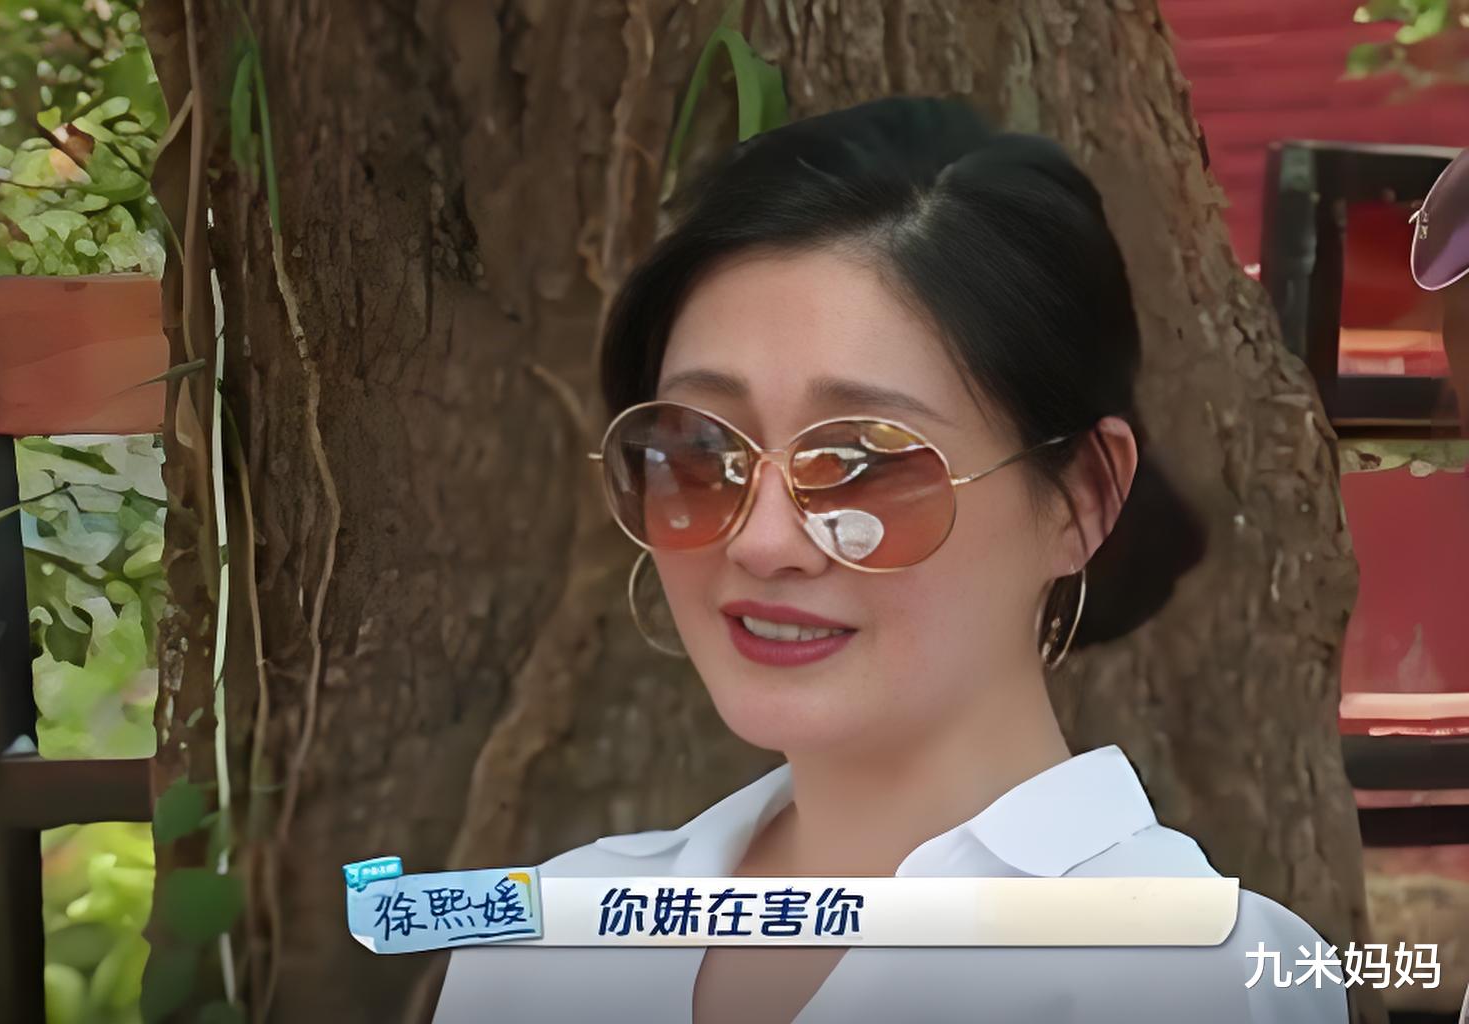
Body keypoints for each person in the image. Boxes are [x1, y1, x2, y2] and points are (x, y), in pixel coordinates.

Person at [432, 95, 1348, 1024]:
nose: (761, 541)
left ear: (1083, 497)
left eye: (864, 463)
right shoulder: (542, 945)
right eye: (703, 451)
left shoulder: (1194, 974)